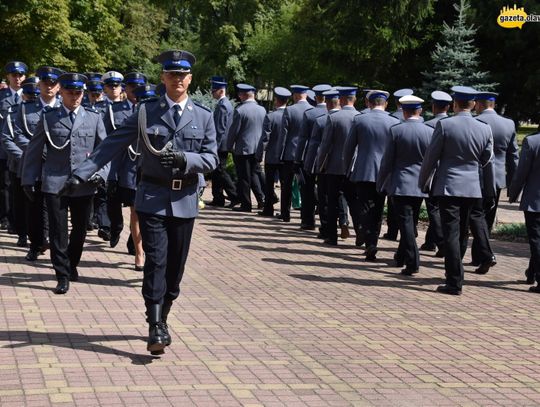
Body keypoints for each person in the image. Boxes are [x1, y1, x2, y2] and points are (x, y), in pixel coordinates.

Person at [62, 50, 218, 355]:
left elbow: (212, 158)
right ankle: (155, 324)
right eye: (171, 74)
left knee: (175, 269)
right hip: (152, 198)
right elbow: (112, 144)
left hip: (185, 200)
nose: (177, 80)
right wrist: (82, 174)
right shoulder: (146, 112)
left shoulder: (203, 115)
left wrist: (187, 159)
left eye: (182, 75)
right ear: (162, 78)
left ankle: (164, 310)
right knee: (156, 261)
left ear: (190, 79)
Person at [21, 72, 109, 295]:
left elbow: (104, 151)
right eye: (70, 92)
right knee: (59, 231)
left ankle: (72, 264)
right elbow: (34, 149)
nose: (75, 97)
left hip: (84, 183)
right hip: (55, 182)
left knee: (79, 229)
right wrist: (29, 178)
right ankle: (61, 273)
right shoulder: (49, 117)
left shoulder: (94, 117)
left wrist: (103, 175)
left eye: (79, 92)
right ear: (61, 91)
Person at [418, 86, 495, 295]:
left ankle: (454, 281)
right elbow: (487, 159)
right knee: (462, 233)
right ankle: (456, 274)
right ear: (472, 104)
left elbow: (431, 158)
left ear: (454, 103)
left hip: (448, 185)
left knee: (451, 233)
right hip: (472, 187)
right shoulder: (484, 128)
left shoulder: (445, 125)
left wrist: (423, 182)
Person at [377, 95, 433, 275]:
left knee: (406, 224)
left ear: (403, 111)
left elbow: (387, 161)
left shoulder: (396, 130)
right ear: (420, 111)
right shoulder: (430, 131)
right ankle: (401, 256)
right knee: (410, 221)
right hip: (421, 184)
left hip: (401, 183)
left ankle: (412, 261)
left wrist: (381, 182)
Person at [13, 67, 63, 261]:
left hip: (57, 164)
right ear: (39, 85)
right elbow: (18, 134)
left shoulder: (64, 107)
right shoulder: (26, 108)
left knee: (56, 208)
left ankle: (55, 246)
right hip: (34, 163)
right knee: (33, 206)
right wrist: (36, 150)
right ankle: (35, 244)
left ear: (58, 86)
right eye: (45, 83)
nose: (49, 87)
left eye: (53, 84)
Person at [344, 90, 400, 259]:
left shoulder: (360, 120)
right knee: (378, 208)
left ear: (369, 103)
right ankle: (372, 242)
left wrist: (347, 168)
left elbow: (349, 148)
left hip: (363, 170)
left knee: (364, 207)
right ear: (386, 104)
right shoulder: (394, 121)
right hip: (384, 173)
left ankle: (369, 241)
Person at [470, 91, 518, 265]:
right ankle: (479, 256)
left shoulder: (475, 122)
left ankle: (481, 254)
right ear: (493, 104)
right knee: (486, 219)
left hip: (475, 177)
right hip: (497, 178)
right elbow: (513, 156)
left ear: (479, 105)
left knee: (473, 217)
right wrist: (513, 185)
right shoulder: (508, 123)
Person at [315, 86, 359, 245]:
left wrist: (320, 165)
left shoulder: (334, 118)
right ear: (354, 99)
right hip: (354, 167)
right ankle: (360, 233)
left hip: (334, 166)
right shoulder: (360, 117)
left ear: (340, 99)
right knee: (354, 200)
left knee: (332, 201)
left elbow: (325, 145)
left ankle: (331, 236)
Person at [295, 84, 331, 230]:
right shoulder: (334, 113)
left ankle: (308, 221)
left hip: (311, 157)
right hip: (329, 158)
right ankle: (330, 222)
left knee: (307, 190)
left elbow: (302, 139)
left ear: (315, 97)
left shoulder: (310, 114)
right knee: (327, 192)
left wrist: (298, 159)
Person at [420, 90, 452, 255]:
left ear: (433, 107)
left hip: (433, 174)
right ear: (448, 107)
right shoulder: (453, 124)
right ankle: (430, 241)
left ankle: (441, 243)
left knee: (433, 209)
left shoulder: (427, 125)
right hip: (450, 174)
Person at [226, 83, 266, 212]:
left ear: (243, 95)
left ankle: (246, 204)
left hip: (243, 148)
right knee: (254, 176)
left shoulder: (240, 110)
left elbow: (233, 131)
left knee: (244, 177)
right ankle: (261, 200)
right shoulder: (262, 109)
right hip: (257, 148)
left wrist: (228, 146)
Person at [509, 132, 540, 292]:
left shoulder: (532, 141)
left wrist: (513, 193)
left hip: (535, 199)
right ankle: (532, 272)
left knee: (536, 239)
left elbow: (521, 172)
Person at [277, 85, 313, 223]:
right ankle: (306, 216)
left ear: (296, 96)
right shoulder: (312, 110)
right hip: (306, 153)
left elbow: (283, 135)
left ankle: (285, 214)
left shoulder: (290, 110)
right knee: (306, 187)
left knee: (286, 185)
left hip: (290, 153)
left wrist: (280, 154)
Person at [0, 61, 27, 231]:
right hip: (4, 147)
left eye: (20, 75)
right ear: (8, 77)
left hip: (25, 148)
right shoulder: (1, 97)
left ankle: (21, 219)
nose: (17, 78)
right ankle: (6, 217)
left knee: (22, 184)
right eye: (14, 75)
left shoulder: (33, 95)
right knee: (5, 185)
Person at [256, 87, 290, 217]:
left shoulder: (271, 116)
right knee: (285, 184)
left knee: (269, 184)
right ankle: (285, 212)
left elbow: (265, 138)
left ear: (276, 100)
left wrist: (259, 154)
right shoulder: (290, 115)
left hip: (272, 155)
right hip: (285, 156)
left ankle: (268, 209)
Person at [207, 76, 238, 207]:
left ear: (220, 91)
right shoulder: (223, 104)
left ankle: (235, 196)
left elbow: (220, 129)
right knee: (217, 171)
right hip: (223, 144)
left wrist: (215, 145)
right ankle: (218, 198)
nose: (212, 93)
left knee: (220, 171)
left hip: (221, 145)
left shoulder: (223, 105)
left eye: (214, 91)